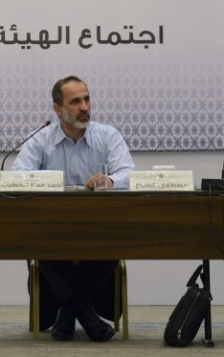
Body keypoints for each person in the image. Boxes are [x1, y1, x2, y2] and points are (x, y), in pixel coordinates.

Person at [11, 75, 135, 342]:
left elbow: (129, 173)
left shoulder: (108, 135)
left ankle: (68, 311)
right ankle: (85, 314)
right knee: (43, 244)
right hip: (54, 230)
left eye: (87, 99)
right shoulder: (41, 139)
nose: (84, 107)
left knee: (116, 242)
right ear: (58, 109)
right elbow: (17, 176)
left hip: (98, 228)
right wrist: (48, 181)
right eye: (76, 101)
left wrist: (111, 181)